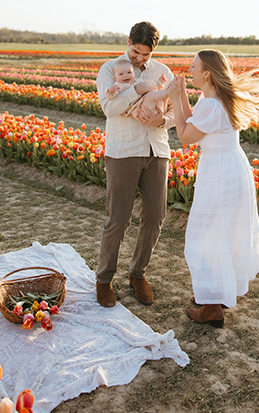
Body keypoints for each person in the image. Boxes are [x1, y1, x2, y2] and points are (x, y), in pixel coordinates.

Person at [166, 50, 259, 327]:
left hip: (220, 174)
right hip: (229, 167)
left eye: (194, 65)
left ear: (207, 73)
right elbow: (192, 122)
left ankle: (211, 307)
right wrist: (183, 96)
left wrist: (175, 97)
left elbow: (186, 135)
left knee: (205, 235)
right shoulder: (213, 100)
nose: (190, 69)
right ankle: (216, 294)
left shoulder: (211, 105)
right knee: (222, 232)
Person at [95, 21, 174, 308]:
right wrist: (138, 89)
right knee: (118, 219)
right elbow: (110, 108)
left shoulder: (163, 72)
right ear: (128, 41)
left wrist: (162, 120)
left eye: (145, 55)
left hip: (157, 150)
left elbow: (176, 109)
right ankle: (104, 279)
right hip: (123, 151)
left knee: (155, 217)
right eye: (135, 52)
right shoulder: (109, 69)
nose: (139, 59)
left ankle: (138, 273)